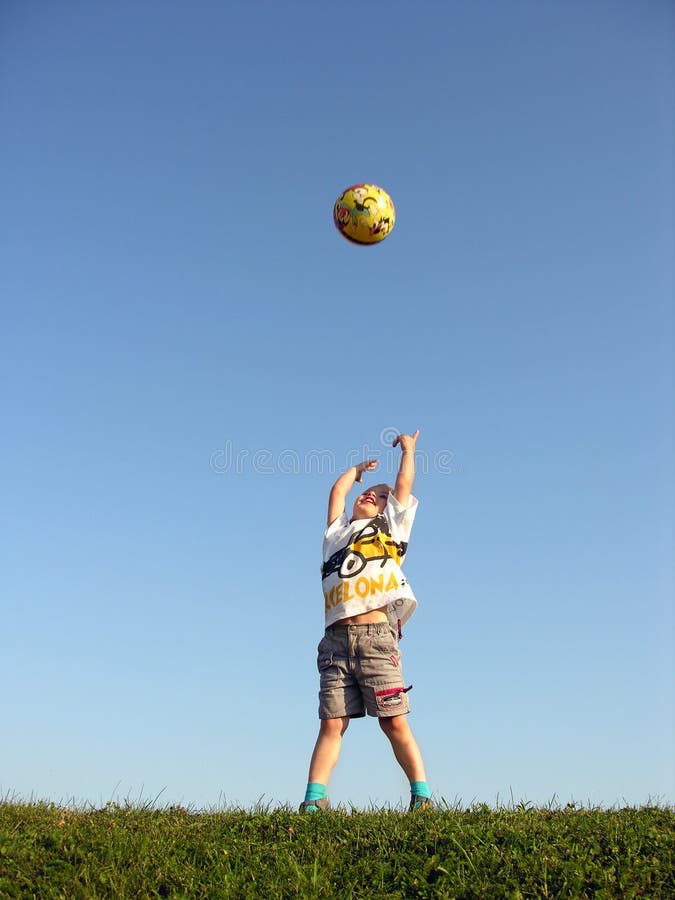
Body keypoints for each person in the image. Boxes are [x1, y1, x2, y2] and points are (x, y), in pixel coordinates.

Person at [301, 429, 431, 812]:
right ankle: (314, 801)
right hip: (335, 644)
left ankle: (421, 796)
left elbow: (403, 484)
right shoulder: (335, 534)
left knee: (393, 722)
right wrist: (354, 472)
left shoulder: (390, 529)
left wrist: (408, 450)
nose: (371, 495)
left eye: (380, 497)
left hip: (376, 639)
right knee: (331, 724)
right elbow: (336, 493)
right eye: (367, 492)